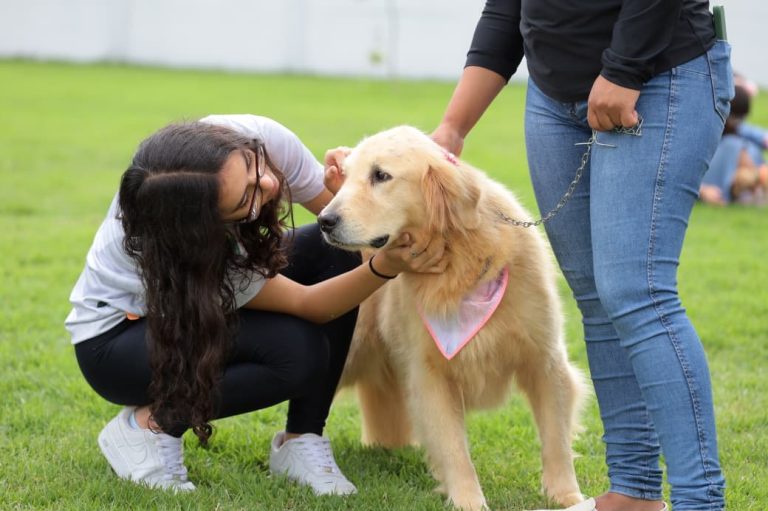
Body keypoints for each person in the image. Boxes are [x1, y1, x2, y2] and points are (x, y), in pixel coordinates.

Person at [432, 1, 730, 510]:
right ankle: (633, 492)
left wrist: (623, 69)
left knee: (637, 294)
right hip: (553, 99)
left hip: (656, 78)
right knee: (597, 298)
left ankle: (700, 502)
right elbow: (508, 8)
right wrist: (453, 128)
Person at [65, 114, 444, 495]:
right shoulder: (194, 245)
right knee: (298, 354)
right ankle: (151, 425)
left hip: (192, 303)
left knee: (332, 251)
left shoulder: (259, 139)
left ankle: (302, 439)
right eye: (245, 200)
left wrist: (342, 190)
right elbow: (309, 304)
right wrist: (385, 268)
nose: (267, 183)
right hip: (116, 345)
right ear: (208, 223)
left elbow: (349, 226)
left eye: (251, 165)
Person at [700, 83, 768, 205]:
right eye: (736, 118)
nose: (738, 123)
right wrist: (703, 190)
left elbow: (761, 137)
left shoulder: (739, 134)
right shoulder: (728, 142)